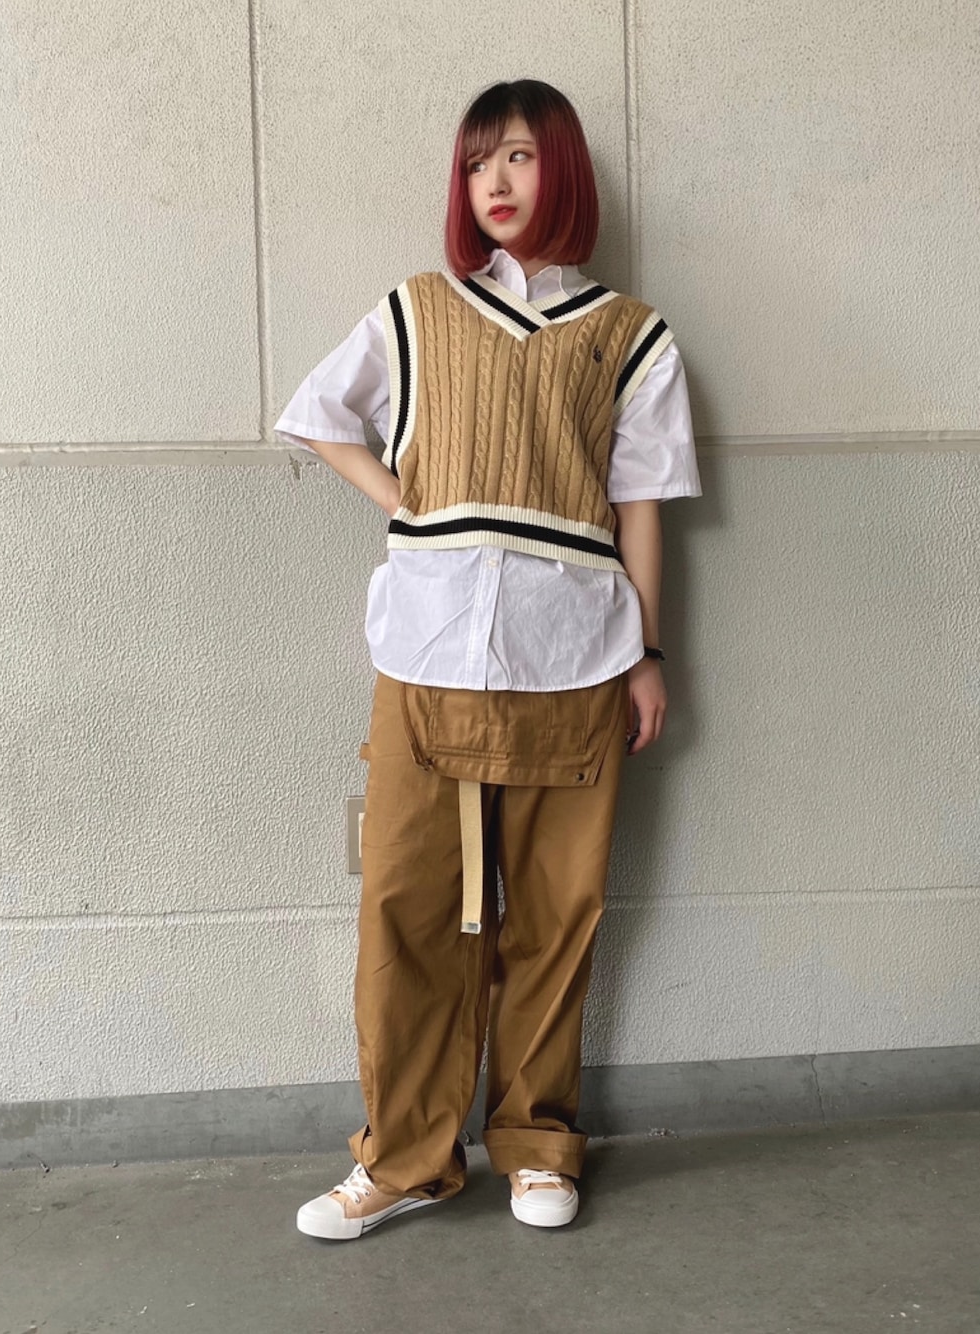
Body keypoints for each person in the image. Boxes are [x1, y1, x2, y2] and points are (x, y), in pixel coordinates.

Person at [273, 79, 701, 1241]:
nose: (494, 183)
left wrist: (649, 652)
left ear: (562, 168)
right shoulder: (418, 312)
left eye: (516, 156)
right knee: (407, 906)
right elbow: (319, 413)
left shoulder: (629, 334)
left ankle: (537, 1141)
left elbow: (641, 503)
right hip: (428, 650)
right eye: (475, 164)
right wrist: (407, 500)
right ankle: (403, 1157)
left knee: (555, 913)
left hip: (578, 652)